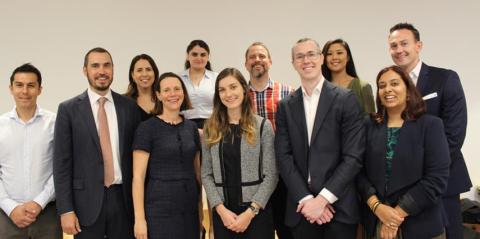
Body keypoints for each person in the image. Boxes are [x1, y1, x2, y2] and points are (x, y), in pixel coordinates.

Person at [275, 38, 364, 239]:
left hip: (339, 207)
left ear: (321, 58)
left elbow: (354, 156)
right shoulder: (285, 106)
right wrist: (307, 200)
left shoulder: (345, 99)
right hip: (301, 209)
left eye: (311, 54)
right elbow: (283, 157)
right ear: (294, 63)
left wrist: (322, 200)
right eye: (300, 56)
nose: (306, 60)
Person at [388, 22, 471, 239]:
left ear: (419, 46)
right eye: (393, 45)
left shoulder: (444, 79)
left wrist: (425, 173)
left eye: (404, 43)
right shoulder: (390, 86)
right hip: (403, 189)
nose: (399, 50)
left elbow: (454, 134)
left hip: (442, 181)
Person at [53, 47, 142, 238]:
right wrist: (66, 210)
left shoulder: (129, 107)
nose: (102, 71)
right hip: (85, 204)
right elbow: (61, 164)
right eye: (95, 66)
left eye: (106, 65)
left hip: (124, 201)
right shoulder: (68, 110)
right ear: (85, 70)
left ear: (113, 69)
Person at [357, 65, 450, 239]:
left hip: (421, 224)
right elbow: (358, 172)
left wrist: (395, 216)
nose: (388, 89)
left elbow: (436, 178)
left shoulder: (430, 125)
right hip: (375, 220)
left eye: (394, 83)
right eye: (382, 86)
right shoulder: (368, 125)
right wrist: (377, 207)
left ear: (408, 90)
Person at [201, 68, 278, 238]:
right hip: (224, 216)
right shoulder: (211, 128)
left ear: (244, 88)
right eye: (222, 89)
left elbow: (271, 175)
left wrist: (250, 212)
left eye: (233, 87)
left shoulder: (263, 126)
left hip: (256, 215)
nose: (228, 94)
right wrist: (220, 210)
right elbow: (206, 174)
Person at [132, 72, 200, 239]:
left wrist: (201, 214)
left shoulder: (191, 128)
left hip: (189, 209)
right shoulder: (146, 128)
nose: (173, 94)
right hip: (159, 211)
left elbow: (197, 174)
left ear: (183, 93)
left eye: (177, 89)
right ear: (158, 95)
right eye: (167, 90)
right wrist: (139, 220)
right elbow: (138, 177)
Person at [0, 63, 62, 239]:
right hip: (6, 217)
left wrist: (38, 202)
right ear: (10, 88)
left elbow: (61, 168)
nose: (24, 91)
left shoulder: (55, 123)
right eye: (19, 85)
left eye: (31, 85)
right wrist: (10, 207)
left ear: (40, 89)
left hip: (47, 215)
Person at [244, 41, 294, 239]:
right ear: (246, 64)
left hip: (283, 172)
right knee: (258, 230)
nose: (257, 60)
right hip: (252, 176)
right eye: (252, 57)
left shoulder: (288, 93)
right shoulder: (238, 96)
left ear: (270, 62)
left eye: (262, 56)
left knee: (286, 228)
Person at [321, 39, 375, 114]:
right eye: (329, 54)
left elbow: (370, 121)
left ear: (348, 57)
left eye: (339, 53)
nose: (334, 57)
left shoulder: (362, 87)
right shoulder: (319, 88)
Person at [179, 39, 219, 130]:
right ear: (187, 56)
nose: (199, 58)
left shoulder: (217, 78)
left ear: (208, 57)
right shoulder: (178, 78)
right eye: (194, 54)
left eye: (203, 55)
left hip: (213, 126)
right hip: (184, 126)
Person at [125, 54, 160, 120]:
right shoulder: (124, 102)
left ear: (154, 73)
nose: (144, 74)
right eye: (139, 70)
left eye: (148, 69)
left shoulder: (163, 100)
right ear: (132, 75)